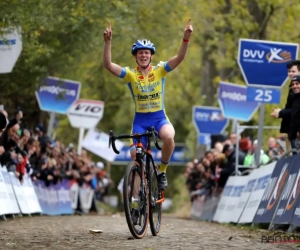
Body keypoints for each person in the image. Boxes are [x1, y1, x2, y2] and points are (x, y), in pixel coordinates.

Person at [103, 19, 193, 190]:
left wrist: (186, 38)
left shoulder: (160, 71)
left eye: (146, 52)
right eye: (140, 53)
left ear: (151, 55)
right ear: (135, 56)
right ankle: (136, 198)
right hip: (140, 122)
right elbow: (108, 65)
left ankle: (162, 171)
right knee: (135, 159)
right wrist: (108, 43)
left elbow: (180, 58)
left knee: (169, 138)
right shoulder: (130, 75)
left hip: (159, 118)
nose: (143, 55)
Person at [271, 60, 300, 150]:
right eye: (289, 71)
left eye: (293, 71)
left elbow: (297, 110)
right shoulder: (293, 89)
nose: (290, 74)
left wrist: (281, 112)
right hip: (292, 132)